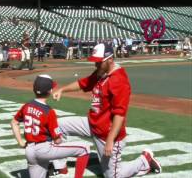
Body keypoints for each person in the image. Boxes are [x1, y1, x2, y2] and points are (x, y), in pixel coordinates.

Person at [52, 43, 162, 177]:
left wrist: (110, 140)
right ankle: (60, 166)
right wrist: (62, 90)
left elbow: (120, 114)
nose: (96, 65)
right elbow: (83, 83)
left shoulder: (119, 80)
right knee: (57, 126)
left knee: (113, 176)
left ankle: (144, 161)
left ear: (109, 59)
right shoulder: (102, 72)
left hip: (108, 134)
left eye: (98, 62)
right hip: (92, 124)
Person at [11, 75, 90, 178]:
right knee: (84, 149)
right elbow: (57, 140)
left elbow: (14, 122)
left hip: (29, 151)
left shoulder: (27, 106)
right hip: (44, 150)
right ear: (50, 91)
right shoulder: (49, 111)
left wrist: (21, 142)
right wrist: (60, 142)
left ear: (34, 89)